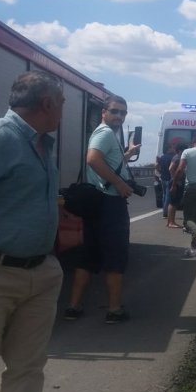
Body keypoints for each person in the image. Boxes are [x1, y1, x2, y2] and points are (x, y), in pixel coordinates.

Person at [0, 71, 65, 392]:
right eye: (61, 104)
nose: (62, 111)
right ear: (47, 104)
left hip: (40, 274)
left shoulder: (41, 145)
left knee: (28, 372)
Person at [64, 95, 141, 324]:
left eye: (123, 113)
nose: (119, 116)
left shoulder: (107, 134)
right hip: (110, 204)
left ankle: (73, 307)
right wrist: (119, 183)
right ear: (104, 112)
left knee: (88, 256)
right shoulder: (105, 132)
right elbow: (93, 159)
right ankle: (114, 310)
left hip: (99, 202)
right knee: (115, 258)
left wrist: (126, 154)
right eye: (115, 111)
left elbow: (104, 161)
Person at [166, 142, 187, 228]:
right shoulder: (178, 157)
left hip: (176, 181)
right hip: (175, 182)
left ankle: (170, 222)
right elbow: (171, 168)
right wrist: (175, 179)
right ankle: (171, 222)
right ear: (181, 150)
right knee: (173, 203)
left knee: (174, 202)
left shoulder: (178, 157)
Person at [156, 144, 175, 218]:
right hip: (169, 178)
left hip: (163, 178)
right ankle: (165, 212)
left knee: (164, 195)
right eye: (172, 147)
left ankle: (164, 210)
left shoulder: (162, 157)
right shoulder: (172, 158)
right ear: (169, 149)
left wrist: (160, 172)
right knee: (168, 196)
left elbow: (157, 166)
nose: (173, 149)